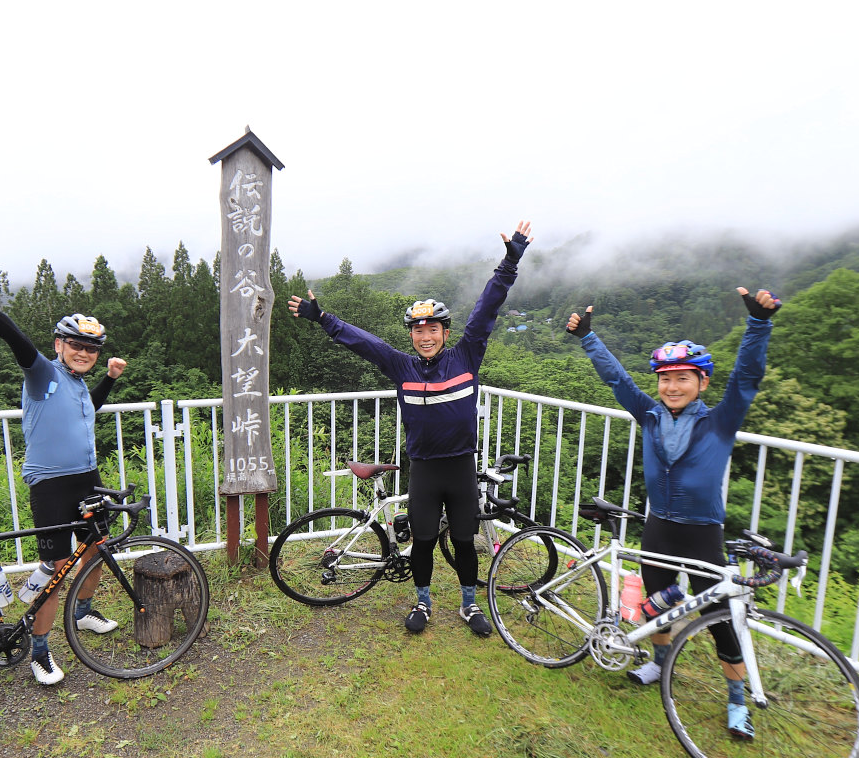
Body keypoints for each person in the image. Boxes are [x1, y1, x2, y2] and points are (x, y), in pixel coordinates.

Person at [288, 222, 534, 637]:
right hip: (424, 468)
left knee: (462, 541)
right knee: (422, 541)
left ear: (445, 333)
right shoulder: (401, 366)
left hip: (459, 468)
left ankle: (469, 606)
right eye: (418, 330)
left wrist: (510, 262)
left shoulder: (466, 356)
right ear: (412, 335)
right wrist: (324, 319)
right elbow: (365, 343)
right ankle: (423, 601)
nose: (425, 336)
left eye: (432, 329)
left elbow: (486, 309)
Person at [566, 285, 782, 742]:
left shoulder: (719, 421)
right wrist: (588, 337)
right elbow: (618, 381)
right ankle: (659, 664)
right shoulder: (648, 415)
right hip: (659, 526)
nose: (672, 386)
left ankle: (738, 700)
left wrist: (758, 325)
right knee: (656, 600)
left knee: (721, 617)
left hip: (703, 532)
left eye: (683, 378)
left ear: (702, 382)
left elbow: (746, 378)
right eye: (665, 379)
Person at [0, 270, 128, 685]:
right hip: (50, 484)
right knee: (54, 566)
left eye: (91, 348)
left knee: (95, 552)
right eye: (76, 345)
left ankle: (83, 614)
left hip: (88, 479)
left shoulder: (79, 383)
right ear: (59, 345)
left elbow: (90, 407)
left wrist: (109, 378)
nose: (84, 353)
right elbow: (19, 344)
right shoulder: (44, 376)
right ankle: (38, 650)